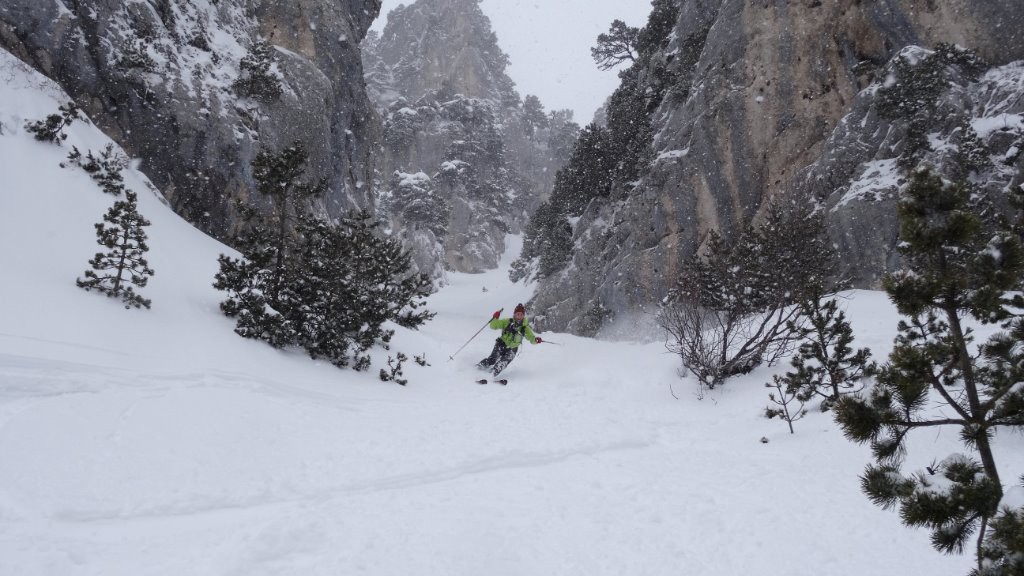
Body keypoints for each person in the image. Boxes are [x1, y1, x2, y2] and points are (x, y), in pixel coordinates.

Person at [477, 303, 543, 376]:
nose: (519, 316)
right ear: (514, 315)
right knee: (492, 360)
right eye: (518, 314)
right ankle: (478, 368)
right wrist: (495, 318)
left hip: (512, 349)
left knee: (502, 364)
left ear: (523, 316)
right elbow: (493, 326)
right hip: (501, 344)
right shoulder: (507, 322)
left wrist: (536, 340)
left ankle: (491, 376)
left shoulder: (525, 328)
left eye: (521, 315)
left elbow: (531, 338)